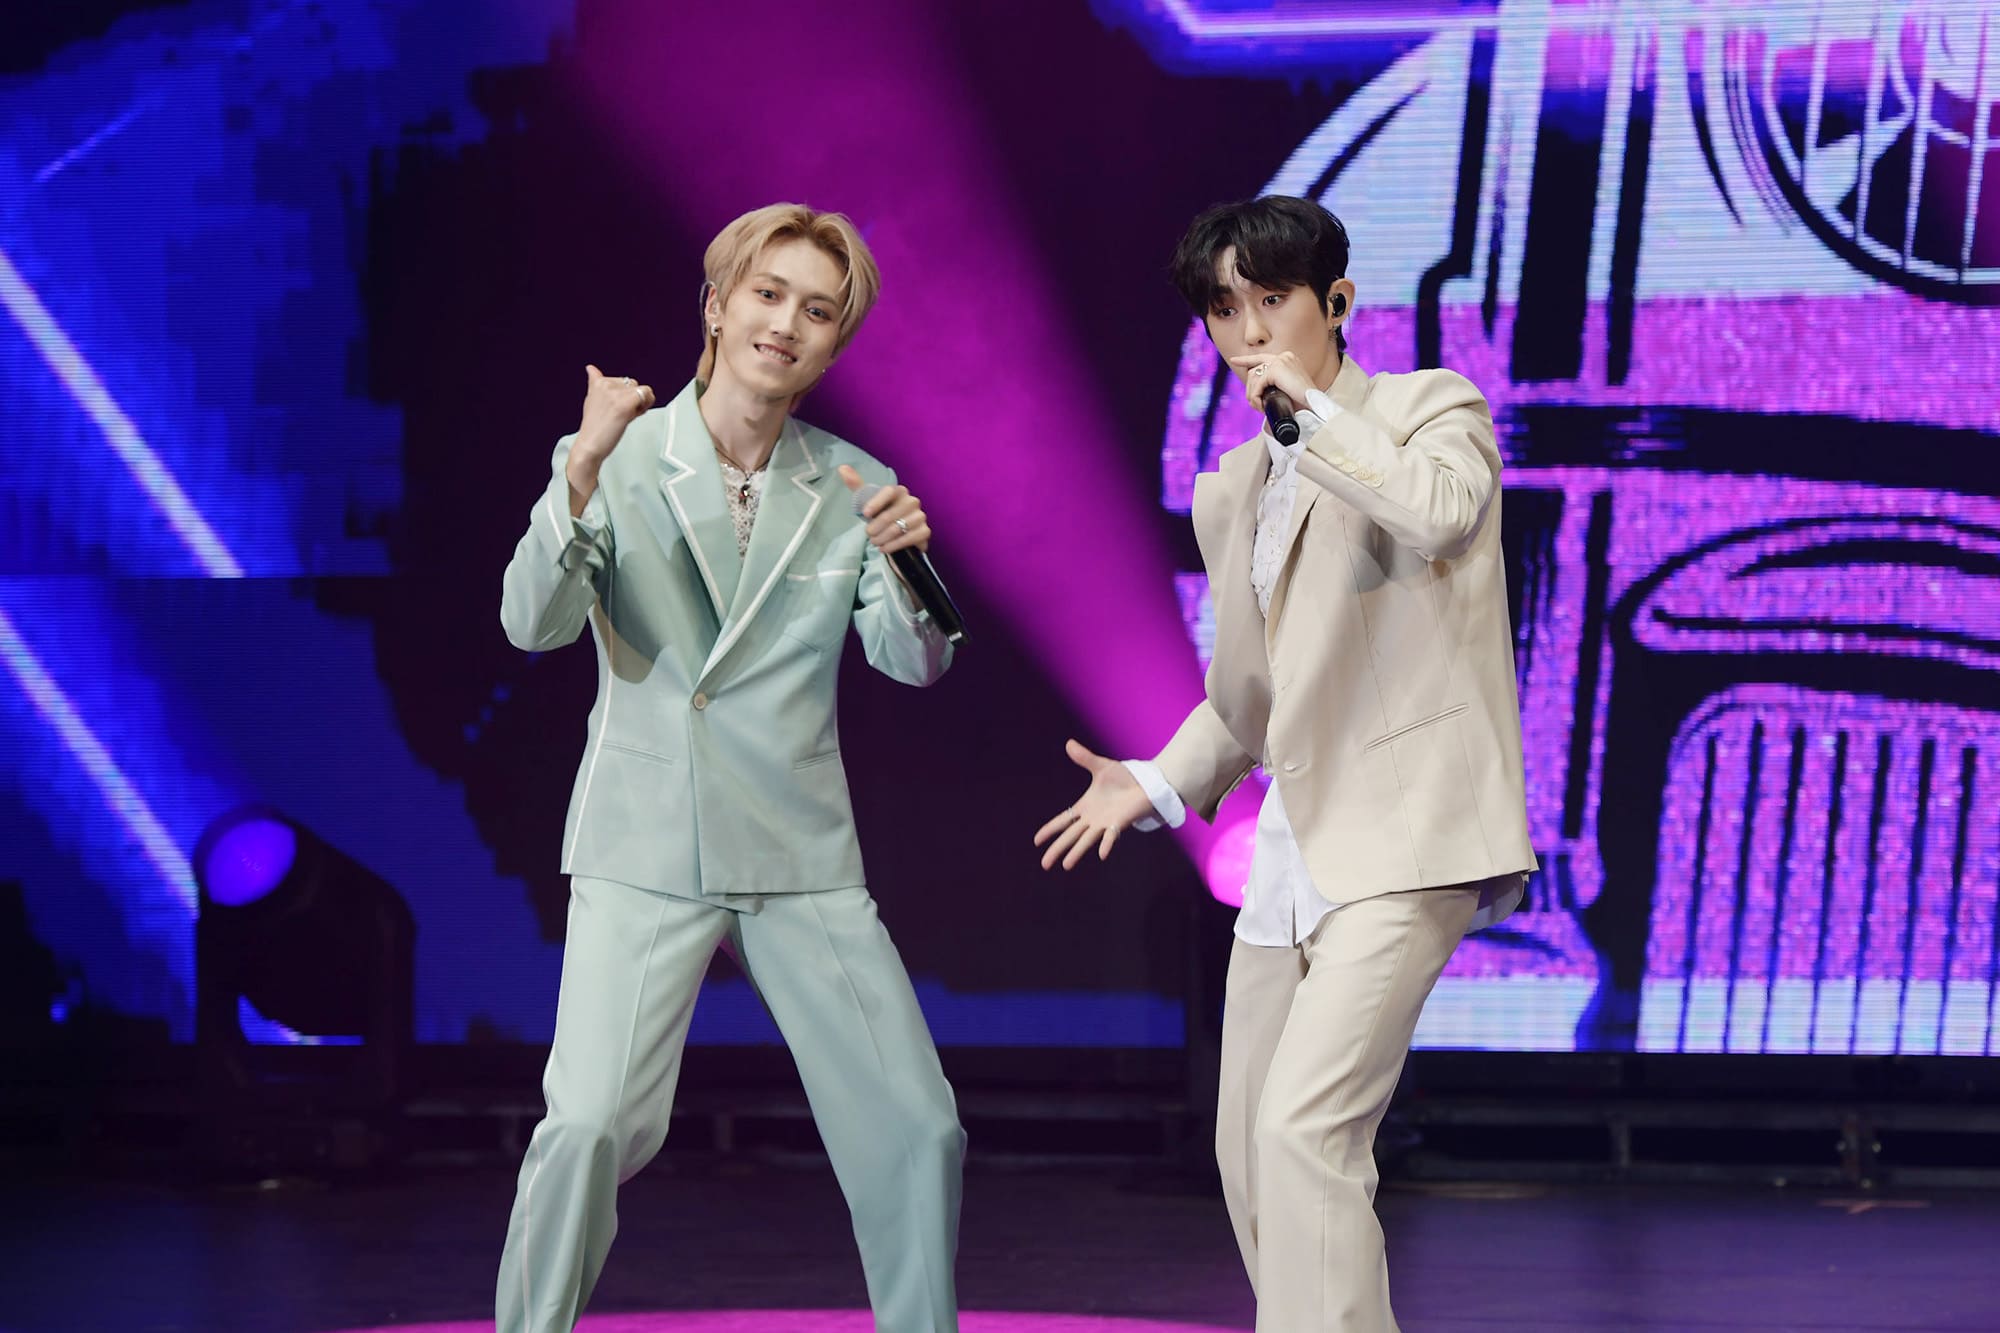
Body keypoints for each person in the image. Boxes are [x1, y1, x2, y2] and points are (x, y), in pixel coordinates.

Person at [1035, 195, 1537, 1332]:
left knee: (1306, 1131)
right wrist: (1156, 779)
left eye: (1272, 300)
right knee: (1251, 1152)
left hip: (1406, 839)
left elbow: (1439, 515)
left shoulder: (1428, 410)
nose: (1250, 332)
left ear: (1336, 301)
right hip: (1292, 851)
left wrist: (1310, 414)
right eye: (1225, 310)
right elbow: (1253, 697)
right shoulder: (1236, 488)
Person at [496, 202, 963, 1333]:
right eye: (766, 294)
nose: (785, 324)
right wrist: (580, 472)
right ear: (715, 306)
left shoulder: (853, 481)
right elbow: (531, 624)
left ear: (834, 344)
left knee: (917, 1128)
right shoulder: (614, 456)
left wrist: (912, 565)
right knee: (590, 1125)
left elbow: (912, 663)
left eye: (817, 311)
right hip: (645, 835)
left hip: (796, 844)